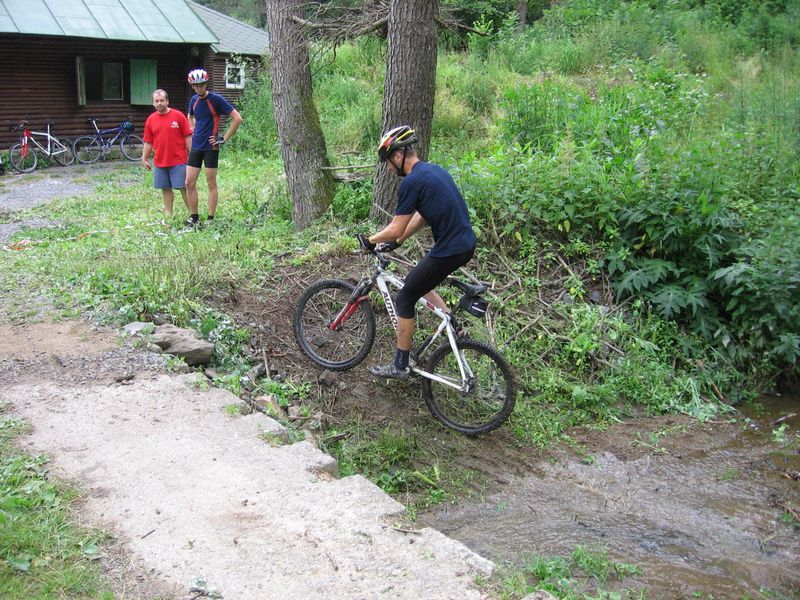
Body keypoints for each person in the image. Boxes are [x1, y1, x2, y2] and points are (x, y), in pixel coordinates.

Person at [361, 125, 477, 380]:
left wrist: (371, 241)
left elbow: (395, 225)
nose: (390, 169)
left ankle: (400, 364)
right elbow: (423, 215)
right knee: (419, 281)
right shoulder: (433, 171)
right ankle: (453, 325)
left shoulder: (412, 182)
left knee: (404, 298)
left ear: (398, 155)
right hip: (464, 244)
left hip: (451, 249)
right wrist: (400, 240)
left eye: (389, 161)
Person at [185, 68, 243, 226]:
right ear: (192, 86)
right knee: (189, 183)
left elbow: (237, 118)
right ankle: (194, 217)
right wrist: (193, 129)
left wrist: (223, 138)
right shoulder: (194, 100)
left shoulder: (216, 99)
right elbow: (190, 116)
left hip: (211, 147)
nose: (199, 88)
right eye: (196, 86)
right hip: (196, 147)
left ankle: (210, 219)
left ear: (206, 84)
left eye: (202, 85)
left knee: (211, 183)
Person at [141, 89, 192, 219]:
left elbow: (187, 136)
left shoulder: (178, 116)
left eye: (162, 100)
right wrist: (144, 158)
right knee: (165, 188)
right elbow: (148, 141)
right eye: (156, 101)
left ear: (167, 101)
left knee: (183, 187)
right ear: (153, 103)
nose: (159, 103)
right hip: (160, 161)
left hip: (178, 160)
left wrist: (192, 153)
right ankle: (168, 213)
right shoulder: (150, 120)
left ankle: (192, 213)